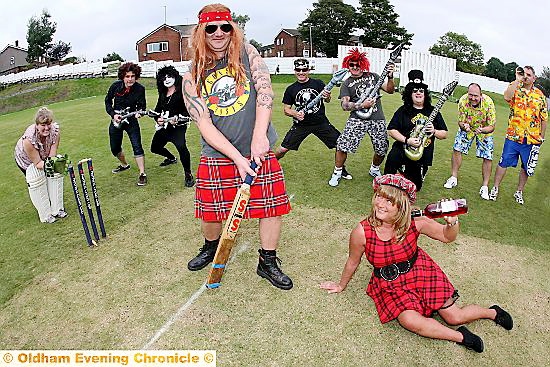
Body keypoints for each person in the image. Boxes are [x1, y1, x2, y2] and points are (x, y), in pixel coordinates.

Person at [320, 173, 513, 353]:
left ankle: (492, 312)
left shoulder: (416, 221)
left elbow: (447, 237)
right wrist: (340, 285)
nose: (380, 204)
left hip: (420, 272)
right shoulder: (362, 231)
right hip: (391, 285)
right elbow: (353, 262)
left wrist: (452, 223)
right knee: (410, 321)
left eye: (389, 201)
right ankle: (461, 336)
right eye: (379, 196)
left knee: (455, 317)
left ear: (402, 206)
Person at [181, 4, 293, 290]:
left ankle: (267, 261)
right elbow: (204, 124)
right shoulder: (192, 74)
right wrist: (235, 157)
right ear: (200, 33)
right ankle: (210, 247)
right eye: (211, 28)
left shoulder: (247, 52)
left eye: (225, 27)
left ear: (233, 29)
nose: (219, 33)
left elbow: (265, 90)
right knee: (211, 211)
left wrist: (259, 137)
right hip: (218, 152)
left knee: (271, 207)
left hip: (256, 146)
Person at [328, 47, 395, 187]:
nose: (354, 67)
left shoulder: (374, 76)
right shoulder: (346, 83)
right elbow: (345, 105)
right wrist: (361, 105)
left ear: (362, 64)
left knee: (382, 148)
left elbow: (390, 90)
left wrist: (390, 76)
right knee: (342, 145)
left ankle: (374, 169)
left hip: (377, 118)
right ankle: (337, 172)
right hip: (357, 119)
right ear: (348, 65)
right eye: (351, 64)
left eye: (357, 64)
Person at [274, 58, 346, 174]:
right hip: (301, 125)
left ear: (308, 70)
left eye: (304, 69)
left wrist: (327, 96)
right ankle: (270, 165)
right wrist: (296, 114)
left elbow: (327, 100)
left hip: (321, 123)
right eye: (298, 69)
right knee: (282, 149)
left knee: (340, 144)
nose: (301, 72)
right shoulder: (291, 89)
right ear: (295, 70)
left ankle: (340, 170)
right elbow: (286, 110)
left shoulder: (318, 83)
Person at [489, 66, 547, 204]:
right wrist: (517, 79)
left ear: (534, 78)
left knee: (526, 167)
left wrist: (541, 137)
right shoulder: (515, 88)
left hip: (532, 139)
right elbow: (506, 96)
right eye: (523, 74)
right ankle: (495, 188)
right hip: (513, 136)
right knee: (503, 162)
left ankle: (519, 192)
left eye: (528, 74)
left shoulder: (540, 95)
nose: (525, 76)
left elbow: (544, 118)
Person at [384, 70, 448, 191]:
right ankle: (390, 180)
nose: (418, 93)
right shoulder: (403, 110)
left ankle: (411, 173)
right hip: (403, 148)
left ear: (425, 94)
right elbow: (391, 130)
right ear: (409, 94)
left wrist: (434, 131)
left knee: (415, 187)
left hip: (422, 154)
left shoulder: (432, 111)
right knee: (392, 163)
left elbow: (444, 134)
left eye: (421, 91)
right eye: (415, 91)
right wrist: (407, 140)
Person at [443, 83, 496, 200]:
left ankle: (485, 187)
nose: (472, 98)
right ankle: (453, 178)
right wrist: (464, 126)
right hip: (468, 127)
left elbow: (492, 126)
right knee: (457, 149)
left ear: (481, 95)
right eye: (470, 95)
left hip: (484, 129)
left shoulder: (489, 103)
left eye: (475, 96)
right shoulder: (462, 101)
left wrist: (482, 130)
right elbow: (460, 122)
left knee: (487, 157)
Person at [14, 106, 67, 223]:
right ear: (37, 125)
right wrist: (49, 165)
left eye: (48, 124)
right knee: (36, 179)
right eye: (43, 125)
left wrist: (57, 164)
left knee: (55, 173)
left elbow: (51, 157)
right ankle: (45, 214)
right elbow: (37, 163)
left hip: (43, 156)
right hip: (26, 160)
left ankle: (57, 209)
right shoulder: (28, 140)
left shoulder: (55, 132)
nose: (47, 128)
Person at [105, 62, 148, 186]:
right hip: (117, 120)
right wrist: (113, 114)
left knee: (137, 145)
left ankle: (142, 174)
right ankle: (124, 165)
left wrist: (139, 113)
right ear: (123, 76)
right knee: (114, 148)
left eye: (132, 76)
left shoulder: (140, 89)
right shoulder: (115, 86)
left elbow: (142, 106)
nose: (130, 79)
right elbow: (107, 101)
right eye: (127, 76)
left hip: (131, 121)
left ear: (136, 76)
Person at [151, 65, 195, 187]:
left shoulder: (182, 92)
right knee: (154, 148)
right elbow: (157, 110)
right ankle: (171, 158)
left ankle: (188, 174)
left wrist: (178, 117)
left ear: (175, 76)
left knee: (181, 147)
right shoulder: (163, 93)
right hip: (165, 127)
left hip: (178, 127)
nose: (167, 79)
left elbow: (189, 110)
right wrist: (157, 118)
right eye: (164, 77)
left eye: (169, 76)